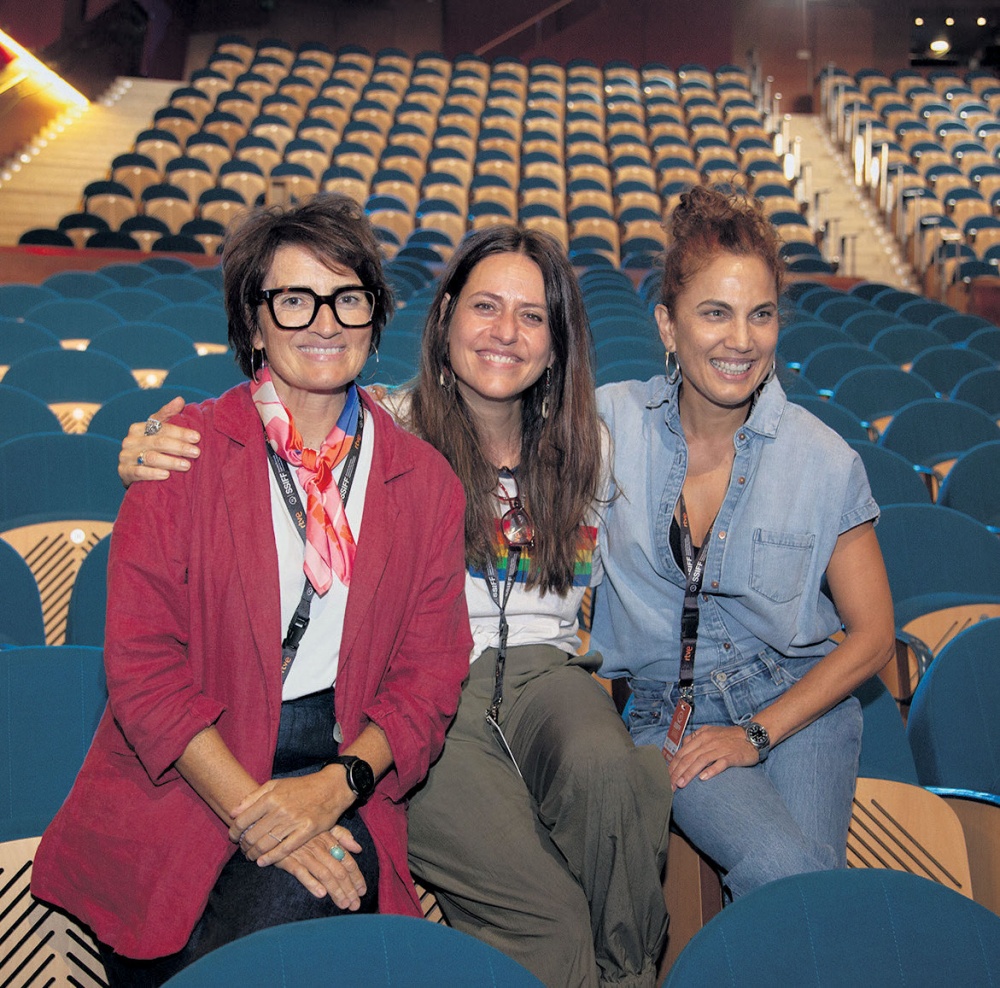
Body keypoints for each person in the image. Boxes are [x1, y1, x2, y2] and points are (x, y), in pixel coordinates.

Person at [116, 225, 673, 988]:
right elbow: (148, 661)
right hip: (402, 700)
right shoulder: (393, 427)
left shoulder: (586, 447)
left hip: (516, 680)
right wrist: (145, 446)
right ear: (442, 318)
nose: (506, 332)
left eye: (533, 315)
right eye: (485, 306)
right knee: (534, 911)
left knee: (613, 774)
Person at [32, 193, 472, 986]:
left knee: (291, 913)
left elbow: (430, 677)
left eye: (348, 298)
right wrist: (263, 815)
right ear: (254, 321)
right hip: (194, 766)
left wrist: (333, 791)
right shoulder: (181, 454)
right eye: (295, 299)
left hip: (342, 762)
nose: (325, 322)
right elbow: (142, 670)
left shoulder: (426, 481)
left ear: (374, 317)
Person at [592, 185, 896, 901]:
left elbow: (875, 636)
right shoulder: (609, 426)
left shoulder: (824, 460)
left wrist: (756, 733)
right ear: (668, 325)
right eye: (715, 313)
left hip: (801, 705)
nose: (742, 339)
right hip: (668, 715)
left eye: (761, 314)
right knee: (796, 880)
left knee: (800, 892)